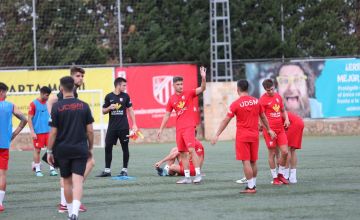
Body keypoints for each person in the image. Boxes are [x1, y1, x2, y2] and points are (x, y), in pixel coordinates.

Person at [211, 80, 276, 193]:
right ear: (248, 89)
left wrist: (217, 134)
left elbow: (225, 120)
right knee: (253, 161)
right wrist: (269, 129)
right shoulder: (256, 101)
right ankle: (253, 185)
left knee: (246, 161)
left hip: (243, 136)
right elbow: (264, 117)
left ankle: (250, 187)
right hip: (255, 135)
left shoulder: (236, 104)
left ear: (238, 89)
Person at [47, 76, 94, 220]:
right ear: (73, 87)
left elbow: (53, 132)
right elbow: (90, 131)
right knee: (78, 181)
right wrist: (90, 148)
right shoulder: (84, 105)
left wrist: (49, 151)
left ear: (61, 88)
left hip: (62, 150)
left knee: (66, 181)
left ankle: (69, 212)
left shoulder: (56, 107)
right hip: (80, 148)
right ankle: (75, 213)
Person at [157, 66, 207, 184]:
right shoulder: (171, 99)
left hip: (189, 126)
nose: (180, 86)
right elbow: (167, 115)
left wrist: (203, 78)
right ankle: (187, 177)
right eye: (178, 84)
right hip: (179, 128)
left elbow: (202, 88)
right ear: (173, 85)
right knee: (183, 153)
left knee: (191, 150)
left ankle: (198, 175)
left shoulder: (189, 93)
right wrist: (160, 129)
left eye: (181, 84)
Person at [96, 77, 137, 177]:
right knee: (108, 147)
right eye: (123, 85)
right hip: (112, 127)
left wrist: (134, 124)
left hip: (123, 127)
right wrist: (110, 107)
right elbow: (103, 111)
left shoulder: (126, 96)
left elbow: (131, 110)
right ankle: (107, 170)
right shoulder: (108, 96)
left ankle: (124, 169)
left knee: (125, 147)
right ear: (118, 85)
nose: (125, 87)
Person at [0, 82, 28, 212]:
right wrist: (13, 135)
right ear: (1, 92)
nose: (6, 95)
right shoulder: (10, 106)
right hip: (4, 144)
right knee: (2, 175)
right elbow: (24, 119)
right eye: (5, 92)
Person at [259, 79, 290, 185]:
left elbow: (282, 110)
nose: (271, 91)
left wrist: (286, 119)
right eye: (268, 90)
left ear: (274, 87)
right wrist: (268, 130)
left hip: (280, 129)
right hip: (269, 131)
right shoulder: (262, 100)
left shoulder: (278, 96)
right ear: (265, 90)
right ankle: (275, 178)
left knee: (285, 152)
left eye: (272, 89)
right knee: (272, 154)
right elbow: (261, 117)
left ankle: (281, 174)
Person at [28, 86, 58, 177]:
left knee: (51, 150)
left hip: (49, 131)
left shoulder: (49, 103)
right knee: (37, 151)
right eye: (46, 95)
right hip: (38, 132)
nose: (48, 97)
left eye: (48, 95)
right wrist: (32, 131)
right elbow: (29, 119)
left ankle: (52, 168)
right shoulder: (33, 104)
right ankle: (38, 170)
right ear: (41, 93)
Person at [285, 111, 304, 183]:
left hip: (294, 124)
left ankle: (285, 176)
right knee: (292, 150)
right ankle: (293, 177)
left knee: (287, 149)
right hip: (299, 122)